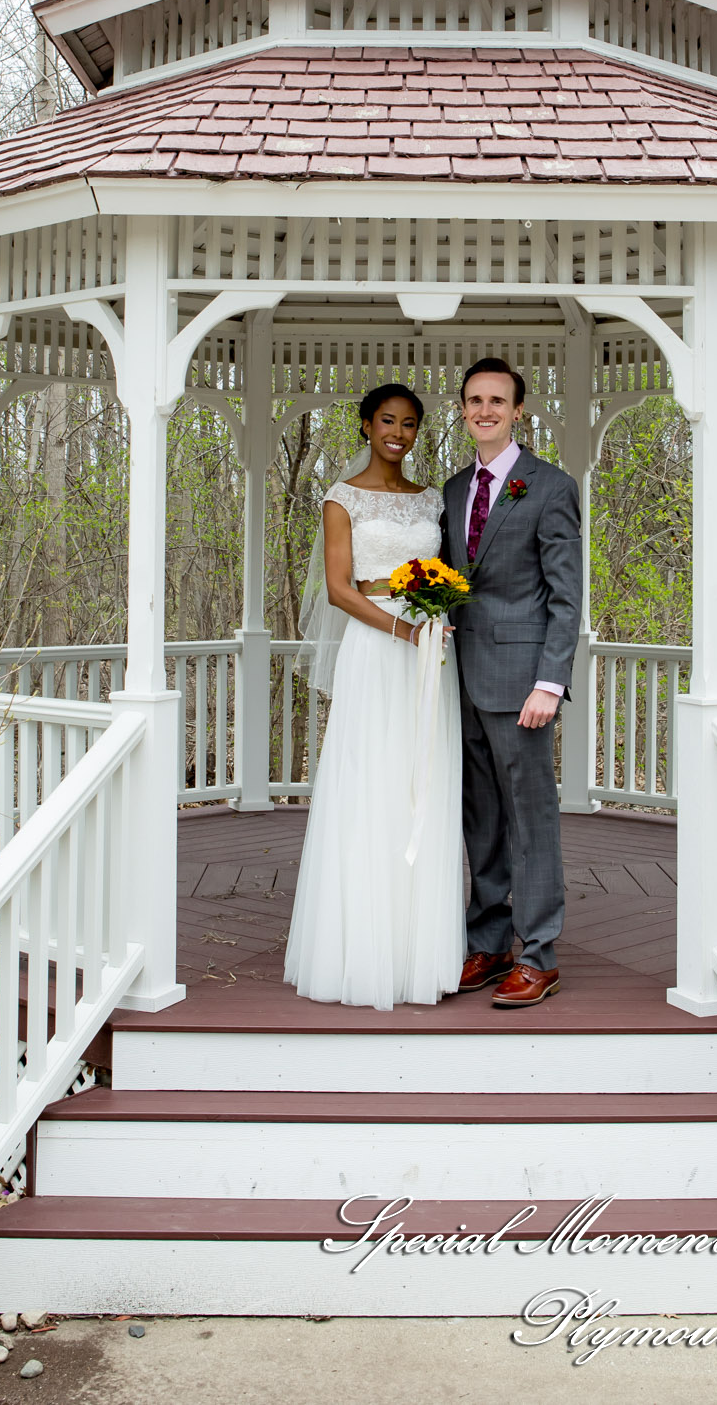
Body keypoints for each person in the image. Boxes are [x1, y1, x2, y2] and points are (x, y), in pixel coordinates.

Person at [283, 384, 464, 1010]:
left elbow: (448, 573)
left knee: (423, 782)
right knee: (370, 785)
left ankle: (420, 950)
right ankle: (360, 951)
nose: (399, 432)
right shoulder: (342, 499)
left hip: (430, 655)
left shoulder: (433, 499)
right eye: (388, 421)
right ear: (365, 425)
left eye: (410, 424)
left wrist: (433, 622)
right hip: (376, 646)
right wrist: (404, 628)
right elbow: (339, 590)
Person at [442, 358, 582, 1008]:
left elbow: (565, 595)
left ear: (518, 409)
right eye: (475, 399)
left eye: (498, 399)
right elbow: (452, 578)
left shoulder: (548, 487)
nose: (485, 409)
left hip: (523, 683)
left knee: (531, 819)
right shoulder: (451, 490)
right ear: (463, 408)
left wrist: (550, 682)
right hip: (461, 681)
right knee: (483, 820)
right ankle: (491, 940)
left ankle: (539, 952)